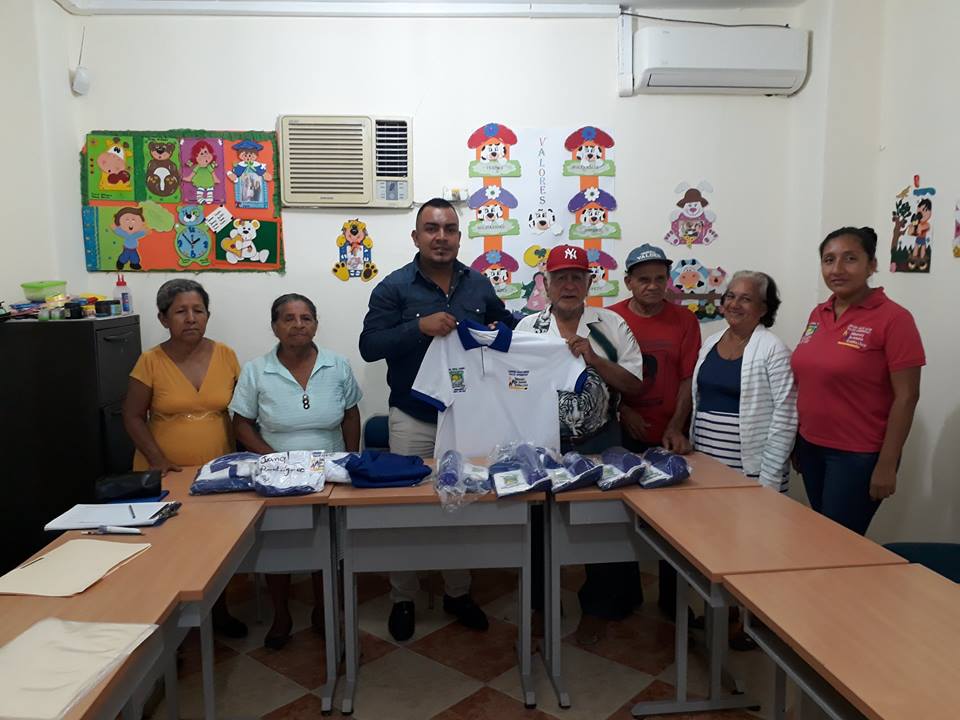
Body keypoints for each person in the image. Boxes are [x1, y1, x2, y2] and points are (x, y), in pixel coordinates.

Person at [358, 197, 514, 642]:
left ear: (459, 237)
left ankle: (457, 593)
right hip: (412, 416)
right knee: (405, 511)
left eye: (449, 229)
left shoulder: (478, 284)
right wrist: (418, 327)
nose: (440, 237)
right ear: (416, 236)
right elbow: (369, 346)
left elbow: (506, 326)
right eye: (431, 228)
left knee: (460, 507)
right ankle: (403, 597)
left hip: (466, 418)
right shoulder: (393, 288)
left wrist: (516, 332)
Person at [516, 244, 644, 646]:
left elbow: (634, 385)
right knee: (537, 524)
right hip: (543, 442)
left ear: (590, 282)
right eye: (560, 278)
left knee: (601, 525)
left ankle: (600, 608)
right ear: (546, 283)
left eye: (577, 277)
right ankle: (541, 604)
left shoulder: (612, 325)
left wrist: (595, 360)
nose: (569, 285)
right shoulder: (527, 329)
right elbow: (511, 385)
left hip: (600, 439)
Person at [230, 293, 362, 649]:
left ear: (316, 324)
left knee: (330, 541)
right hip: (276, 472)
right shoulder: (256, 370)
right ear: (275, 327)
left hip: (329, 471)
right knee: (279, 544)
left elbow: (351, 414)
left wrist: (350, 459)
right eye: (288, 318)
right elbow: (241, 424)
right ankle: (281, 615)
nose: (298, 325)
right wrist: (274, 460)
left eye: (306, 318)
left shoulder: (338, 365)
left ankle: (323, 610)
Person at [122, 278, 247, 638]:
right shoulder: (150, 361)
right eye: (180, 311)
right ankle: (168, 631)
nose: (191, 318)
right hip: (164, 473)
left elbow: (242, 412)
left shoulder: (226, 355)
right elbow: (132, 415)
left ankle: (219, 612)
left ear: (208, 315)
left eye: (198, 310)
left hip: (216, 470)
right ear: (163, 318)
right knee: (168, 550)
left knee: (217, 545)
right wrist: (157, 459)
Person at [792, 227, 924, 535]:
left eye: (850, 259)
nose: (837, 269)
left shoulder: (894, 318)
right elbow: (810, 378)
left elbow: (907, 396)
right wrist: (798, 440)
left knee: (838, 544)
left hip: (857, 456)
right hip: (811, 448)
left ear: (871, 265)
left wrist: (887, 463)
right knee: (823, 536)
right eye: (829, 260)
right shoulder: (819, 313)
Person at [690, 270, 796, 649]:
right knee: (715, 545)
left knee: (750, 551)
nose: (734, 304)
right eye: (730, 296)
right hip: (709, 469)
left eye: (746, 298)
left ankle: (749, 623)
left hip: (751, 471)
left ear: (764, 308)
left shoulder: (772, 349)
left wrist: (768, 480)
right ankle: (723, 613)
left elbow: (786, 414)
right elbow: (699, 400)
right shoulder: (711, 342)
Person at [608, 243, 701, 622]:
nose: (652, 286)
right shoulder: (610, 318)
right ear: (628, 282)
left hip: (669, 434)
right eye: (643, 279)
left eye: (660, 279)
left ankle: (672, 600)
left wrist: (676, 426)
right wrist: (622, 409)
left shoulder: (685, 321)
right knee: (621, 516)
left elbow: (687, 378)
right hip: (622, 432)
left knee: (675, 524)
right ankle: (624, 596)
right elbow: (599, 373)